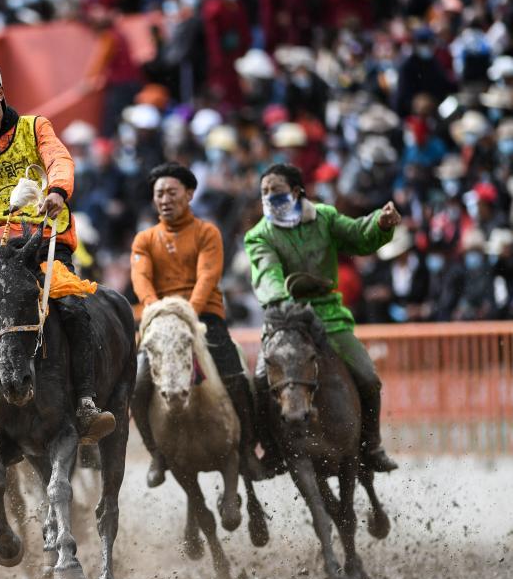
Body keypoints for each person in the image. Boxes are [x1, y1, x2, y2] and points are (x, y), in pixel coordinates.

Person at [0, 57, 114, 443]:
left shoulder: (35, 127)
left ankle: (85, 403)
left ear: (0, 93)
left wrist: (56, 190)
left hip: (45, 247)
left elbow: (59, 158)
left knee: (72, 310)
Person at [244, 163, 400, 474]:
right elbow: (267, 271)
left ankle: (371, 445)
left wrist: (380, 224)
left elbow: (358, 236)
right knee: (260, 381)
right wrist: (280, 301)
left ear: (297, 191)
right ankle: (272, 450)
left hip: (329, 317)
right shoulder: (258, 235)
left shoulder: (325, 217)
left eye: (275, 191)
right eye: (264, 192)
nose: (268, 197)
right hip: (284, 320)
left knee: (368, 376)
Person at [130, 163, 265, 487]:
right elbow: (141, 279)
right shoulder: (145, 239)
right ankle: (157, 454)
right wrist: (157, 311)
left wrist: (187, 314)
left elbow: (207, 277)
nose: (165, 199)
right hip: (161, 325)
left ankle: (246, 450)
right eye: (159, 193)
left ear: (189, 195)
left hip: (204, 319)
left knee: (236, 378)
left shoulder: (207, 233)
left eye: (172, 192)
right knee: (136, 384)